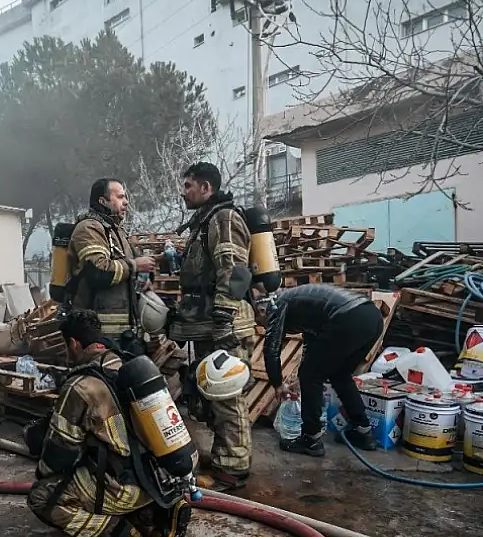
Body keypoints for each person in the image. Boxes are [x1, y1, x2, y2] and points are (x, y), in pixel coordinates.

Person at [26, 309, 193, 537]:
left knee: (42, 497)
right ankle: (158, 515)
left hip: (124, 488)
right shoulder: (128, 365)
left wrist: (44, 473)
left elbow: (58, 455)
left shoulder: (80, 386)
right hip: (162, 479)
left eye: (66, 347)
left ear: (73, 343)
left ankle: (115, 533)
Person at [167, 162, 257, 491]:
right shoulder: (206, 220)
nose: (183, 190)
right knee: (215, 395)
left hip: (226, 324)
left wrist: (222, 318)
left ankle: (232, 471)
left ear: (206, 188)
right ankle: (224, 458)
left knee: (227, 396)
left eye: (189, 185)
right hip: (212, 323)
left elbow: (233, 270)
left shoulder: (223, 218)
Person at [257, 284, 386, 455]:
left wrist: (278, 385)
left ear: (262, 312)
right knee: (340, 374)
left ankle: (311, 439)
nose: (265, 327)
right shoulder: (301, 304)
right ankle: (363, 432)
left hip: (348, 317)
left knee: (311, 376)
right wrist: (300, 376)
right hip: (371, 317)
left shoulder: (276, 306)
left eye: (262, 323)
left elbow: (271, 348)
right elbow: (311, 341)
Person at [65, 178, 154, 355]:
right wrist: (134, 266)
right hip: (96, 333)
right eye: (120, 197)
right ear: (103, 201)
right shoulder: (88, 229)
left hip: (122, 333)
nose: (126, 202)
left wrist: (145, 278)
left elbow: (133, 265)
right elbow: (98, 272)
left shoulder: (116, 231)